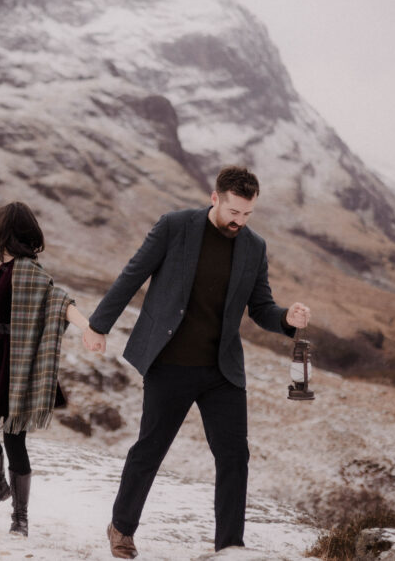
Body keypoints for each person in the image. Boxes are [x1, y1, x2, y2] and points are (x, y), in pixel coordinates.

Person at [83, 166, 311, 557]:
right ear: (215, 198)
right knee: (151, 449)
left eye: (247, 214)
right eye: (233, 212)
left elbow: (260, 307)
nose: (239, 221)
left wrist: (286, 318)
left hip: (220, 370)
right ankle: (121, 527)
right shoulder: (175, 227)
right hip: (169, 362)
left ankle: (230, 547)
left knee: (234, 456)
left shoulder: (254, 247)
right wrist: (98, 325)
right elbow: (133, 274)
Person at [0, 201, 98, 537]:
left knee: (15, 439)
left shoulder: (30, 271)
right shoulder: (4, 269)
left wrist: (88, 327)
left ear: (5, 234)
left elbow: (60, 301)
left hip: (19, 364)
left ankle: (20, 517)